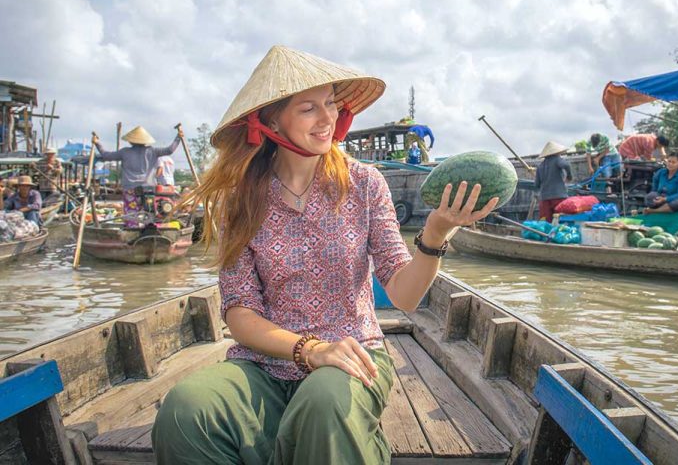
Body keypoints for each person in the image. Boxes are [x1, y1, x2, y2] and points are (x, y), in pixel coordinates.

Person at [151, 45, 498, 464]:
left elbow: (404, 296)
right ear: (271, 120)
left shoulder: (364, 184)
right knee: (185, 410)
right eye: (308, 108)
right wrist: (308, 350)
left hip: (351, 360)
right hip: (263, 366)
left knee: (324, 401)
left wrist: (435, 233)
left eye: (331, 104)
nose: (327, 118)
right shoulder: (240, 200)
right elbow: (240, 313)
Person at [94, 126, 182, 223]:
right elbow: (170, 150)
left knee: (132, 215)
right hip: (148, 190)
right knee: (149, 213)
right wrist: (178, 137)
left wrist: (97, 143)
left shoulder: (125, 152)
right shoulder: (152, 151)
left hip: (130, 190)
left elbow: (106, 155)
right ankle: (150, 229)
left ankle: (132, 231)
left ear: (131, 141)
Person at [532, 141, 572, 222]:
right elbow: (566, 165)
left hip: (545, 199)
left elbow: (536, 185)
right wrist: (569, 176)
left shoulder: (540, 166)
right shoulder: (557, 160)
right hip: (559, 197)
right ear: (557, 152)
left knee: (545, 224)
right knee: (560, 222)